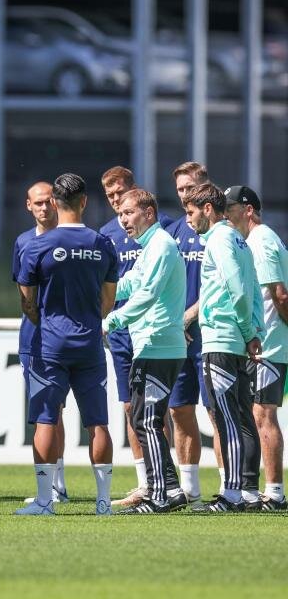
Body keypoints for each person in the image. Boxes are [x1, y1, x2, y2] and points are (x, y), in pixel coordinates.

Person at [16, 173, 116, 516]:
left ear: (55, 203)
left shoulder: (37, 245)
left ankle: (45, 501)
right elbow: (108, 301)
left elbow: (27, 301)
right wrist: (87, 319)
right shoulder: (102, 244)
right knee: (97, 422)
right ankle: (103, 502)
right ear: (84, 202)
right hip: (89, 344)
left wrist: (45, 321)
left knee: (46, 419)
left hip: (49, 344)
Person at [103, 189, 188, 514]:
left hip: (159, 345)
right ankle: (171, 489)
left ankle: (159, 495)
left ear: (149, 213)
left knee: (148, 420)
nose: (123, 220)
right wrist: (99, 287)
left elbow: (149, 293)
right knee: (143, 419)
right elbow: (129, 284)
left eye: (129, 213)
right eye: (120, 215)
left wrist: (111, 320)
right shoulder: (150, 247)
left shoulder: (161, 245)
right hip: (152, 345)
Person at [184, 182, 264, 512]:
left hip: (221, 338)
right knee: (243, 417)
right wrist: (253, 331)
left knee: (227, 418)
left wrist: (247, 331)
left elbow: (238, 289)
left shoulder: (219, 239)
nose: (188, 219)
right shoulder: (238, 239)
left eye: (191, 212)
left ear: (207, 209)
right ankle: (249, 492)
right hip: (236, 339)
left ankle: (231, 494)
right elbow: (251, 289)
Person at [224, 185, 287, 511]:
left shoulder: (261, 241)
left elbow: (280, 294)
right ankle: (262, 489)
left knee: (264, 415)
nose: (226, 214)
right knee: (258, 414)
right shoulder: (259, 239)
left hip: (269, 346)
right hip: (267, 344)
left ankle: (274, 493)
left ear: (248, 210)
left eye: (231, 208)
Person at [165, 161, 218, 503]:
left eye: (190, 187)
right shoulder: (174, 231)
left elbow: (220, 284)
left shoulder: (221, 231)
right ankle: (191, 492)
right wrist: (175, 321)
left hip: (212, 335)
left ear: (205, 185)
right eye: (180, 189)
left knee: (217, 414)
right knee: (179, 410)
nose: (185, 194)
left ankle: (230, 489)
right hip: (179, 336)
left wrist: (189, 317)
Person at [13, 182, 68, 506]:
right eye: (38, 203)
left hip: (63, 339)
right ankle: (53, 484)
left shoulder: (69, 239)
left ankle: (58, 484)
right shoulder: (22, 242)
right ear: (28, 205)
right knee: (46, 412)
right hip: (33, 339)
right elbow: (24, 296)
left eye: (48, 201)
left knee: (56, 411)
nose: (44, 207)